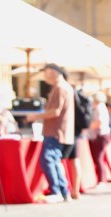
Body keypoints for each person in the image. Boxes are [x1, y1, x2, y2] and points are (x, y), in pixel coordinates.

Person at [26, 63, 74, 203]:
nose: (45, 76)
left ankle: (57, 191)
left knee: (48, 160)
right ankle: (63, 191)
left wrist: (35, 116)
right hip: (60, 131)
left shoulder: (60, 88)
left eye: (46, 72)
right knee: (54, 161)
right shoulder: (65, 87)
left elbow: (55, 111)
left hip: (55, 131)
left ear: (53, 72)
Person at [88, 91, 111, 185]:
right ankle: (100, 179)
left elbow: (99, 122)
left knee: (99, 158)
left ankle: (102, 179)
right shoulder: (99, 108)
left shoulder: (100, 108)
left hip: (100, 135)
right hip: (99, 135)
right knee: (98, 158)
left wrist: (87, 126)